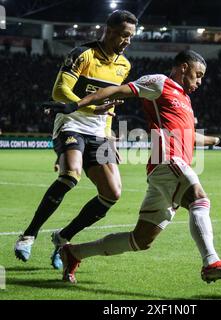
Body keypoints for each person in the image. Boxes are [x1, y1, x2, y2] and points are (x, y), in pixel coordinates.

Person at [44, 50, 221, 284]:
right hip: (166, 160)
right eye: (197, 75)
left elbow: (189, 137)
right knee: (199, 199)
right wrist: (76, 104)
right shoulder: (160, 83)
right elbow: (115, 90)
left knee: (140, 240)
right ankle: (210, 262)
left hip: (170, 169)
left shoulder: (186, 100)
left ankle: (73, 252)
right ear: (183, 67)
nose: (199, 82)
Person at [14, 10, 138, 269]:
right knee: (71, 173)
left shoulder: (124, 65)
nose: (128, 41)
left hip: (100, 131)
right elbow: (59, 91)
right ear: (109, 30)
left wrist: (110, 135)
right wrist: (90, 109)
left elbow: (110, 104)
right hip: (71, 122)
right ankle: (28, 235)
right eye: (124, 35)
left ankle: (63, 238)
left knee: (112, 193)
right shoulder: (83, 54)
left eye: (131, 37)